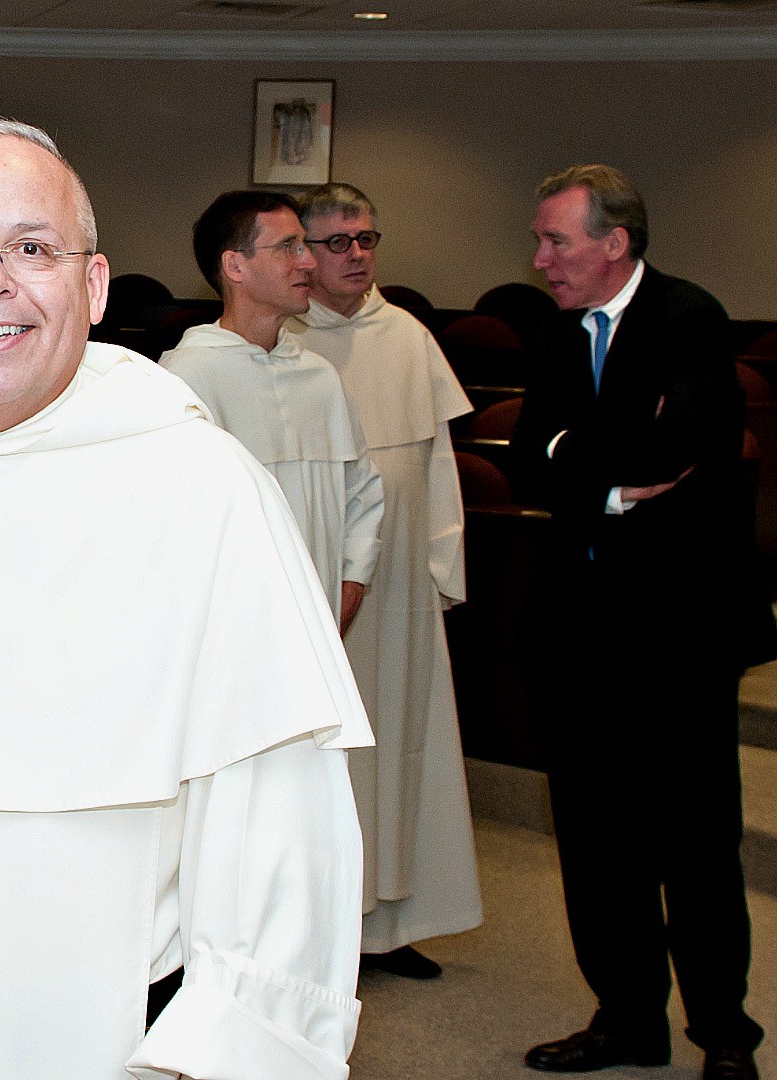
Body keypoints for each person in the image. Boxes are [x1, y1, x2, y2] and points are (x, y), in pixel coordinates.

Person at [0, 119, 371, 1080]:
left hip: (101, 1032)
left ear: (91, 287)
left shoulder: (200, 488)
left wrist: (224, 1051)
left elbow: (277, 814)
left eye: (33, 249)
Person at [510, 164, 774, 1080]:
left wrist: (572, 455)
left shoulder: (687, 319)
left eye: (556, 241)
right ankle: (626, 1019)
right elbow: (524, 461)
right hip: (579, 631)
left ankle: (724, 1036)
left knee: (695, 845)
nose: (539, 258)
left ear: (614, 242)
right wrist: (608, 479)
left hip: (680, 633)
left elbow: (679, 448)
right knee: (595, 844)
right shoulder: (550, 338)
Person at [291, 182, 483, 980]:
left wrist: (444, 565)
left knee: (400, 745)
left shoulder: (406, 335)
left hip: (398, 588)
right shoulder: (281, 342)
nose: (357, 255)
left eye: (367, 239)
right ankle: (315, 929)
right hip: (318, 585)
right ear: (302, 251)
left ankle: (391, 924)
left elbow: (437, 462)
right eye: (338, 242)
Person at [160, 190, 384, 635]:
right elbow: (172, 526)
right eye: (288, 247)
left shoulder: (319, 377)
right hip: (228, 627)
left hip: (320, 624)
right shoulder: (186, 380)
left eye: (304, 245)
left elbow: (363, 491)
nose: (308, 262)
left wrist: (351, 584)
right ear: (235, 266)